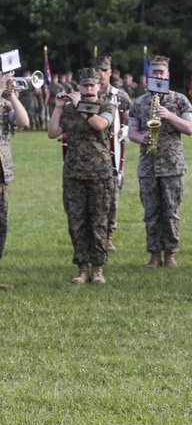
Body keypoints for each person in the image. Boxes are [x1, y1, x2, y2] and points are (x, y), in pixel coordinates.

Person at [48, 68, 115, 284]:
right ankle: (82, 268)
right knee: (76, 221)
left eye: (91, 85)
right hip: (74, 173)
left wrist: (79, 106)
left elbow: (99, 124)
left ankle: (98, 269)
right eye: (84, 85)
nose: (87, 89)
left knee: (98, 221)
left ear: (98, 86)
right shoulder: (68, 110)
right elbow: (52, 133)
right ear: (79, 87)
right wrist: (59, 108)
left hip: (99, 173)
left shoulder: (106, 106)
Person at [127, 55, 192, 268]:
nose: (157, 75)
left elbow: (190, 129)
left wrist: (170, 116)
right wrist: (142, 138)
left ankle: (171, 253)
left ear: (167, 75)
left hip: (172, 166)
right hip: (148, 165)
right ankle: (154, 253)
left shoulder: (180, 100)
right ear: (149, 76)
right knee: (151, 213)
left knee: (171, 211)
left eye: (161, 72)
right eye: (154, 72)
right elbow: (131, 131)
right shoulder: (139, 102)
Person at [93, 56, 132, 253]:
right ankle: (93, 235)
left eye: (104, 70)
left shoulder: (120, 96)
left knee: (112, 196)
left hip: (112, 154)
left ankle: (108, 236)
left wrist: (126, 131)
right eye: (97, 70)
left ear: (110, 72)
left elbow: (132, 118)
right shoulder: (88, 94)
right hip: (91, 154)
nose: (100, 74)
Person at [0, 74, 30, 290]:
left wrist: (11, 95)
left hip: (1, 175)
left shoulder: (3, 104)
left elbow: (23, 121)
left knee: (1, 226)